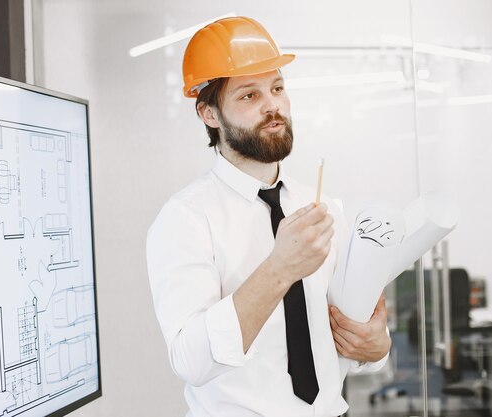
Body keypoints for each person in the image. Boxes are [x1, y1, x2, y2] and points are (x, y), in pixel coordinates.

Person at [147, 16, 391, 417]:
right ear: (209, 114)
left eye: (277, 88)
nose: (272, 105)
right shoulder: (184, 220)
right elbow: (190, 360)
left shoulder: (323, 207)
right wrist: (279, 269)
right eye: (249, 95)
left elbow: (354, 340)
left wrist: (376, 349)